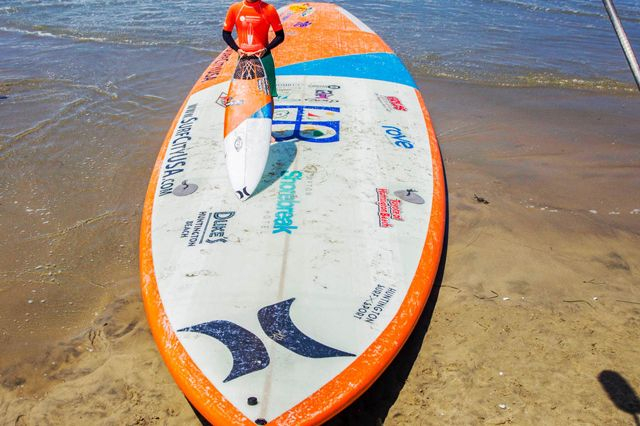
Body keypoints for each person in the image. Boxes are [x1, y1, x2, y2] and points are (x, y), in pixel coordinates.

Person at [222, 0, 285, 98]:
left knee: (268, 95)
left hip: (264, 57)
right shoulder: (235, 9)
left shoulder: (269, 9)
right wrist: (237, 49)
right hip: (243, 58)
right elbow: (226, 34)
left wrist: (266, 49)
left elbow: (280, 36)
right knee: (244, 94)